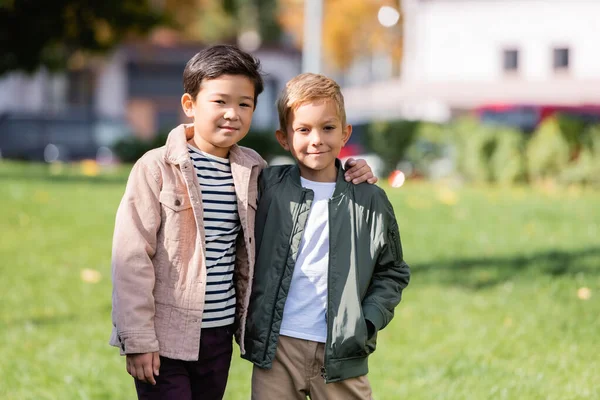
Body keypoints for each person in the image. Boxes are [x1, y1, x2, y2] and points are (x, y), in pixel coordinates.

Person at [109, 45, 376, 400]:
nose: (232, 114)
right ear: (190, 105)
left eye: (244, 104)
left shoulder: (254, 171)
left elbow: (312, 177)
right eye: (220, 102)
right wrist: (138, 339)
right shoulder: (155, 168)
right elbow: (131, 258)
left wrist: (351, 172)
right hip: (165, 335)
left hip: (217, 337)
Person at [243, 73, 411, 400]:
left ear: (346, 132)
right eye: (303, 130)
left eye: (328, 127)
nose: (316, 139)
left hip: (342, 351)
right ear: (283, 137)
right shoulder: (267, 187)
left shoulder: (369, 199)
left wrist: (366, 322)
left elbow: (392, 270)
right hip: (277, 349)